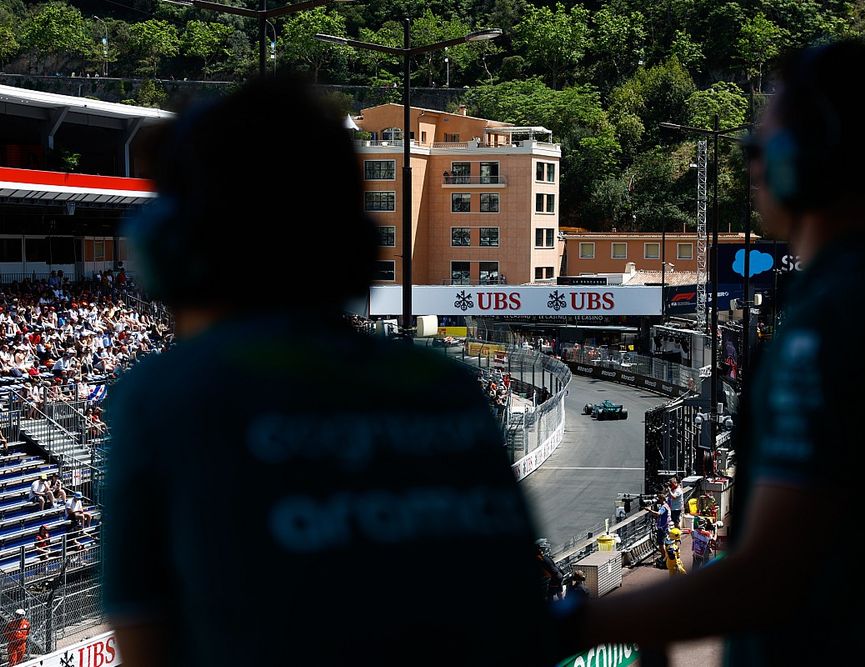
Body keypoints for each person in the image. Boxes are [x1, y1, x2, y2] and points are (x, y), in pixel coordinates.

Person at [103, 77, 557, 667]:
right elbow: (516, 615)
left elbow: (146, 645)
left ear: (171, 249)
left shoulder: (165, 397)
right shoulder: (444, 388)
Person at [558, 42, 865, 666]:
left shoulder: (828, 327)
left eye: (760, 148)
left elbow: (769, 576)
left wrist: (577, 621)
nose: (752, 167)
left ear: (809, 156)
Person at [645, 494, 671, 567]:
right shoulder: (667, 505)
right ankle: (665, 557)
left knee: (661, 544)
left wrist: (649, 510)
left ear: (662, 499)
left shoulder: (663, 507)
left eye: (659, 499)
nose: (658, 501)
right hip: (665, 527)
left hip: (662, 528)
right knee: (663, 543)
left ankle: (664, 557)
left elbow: (658, 514)